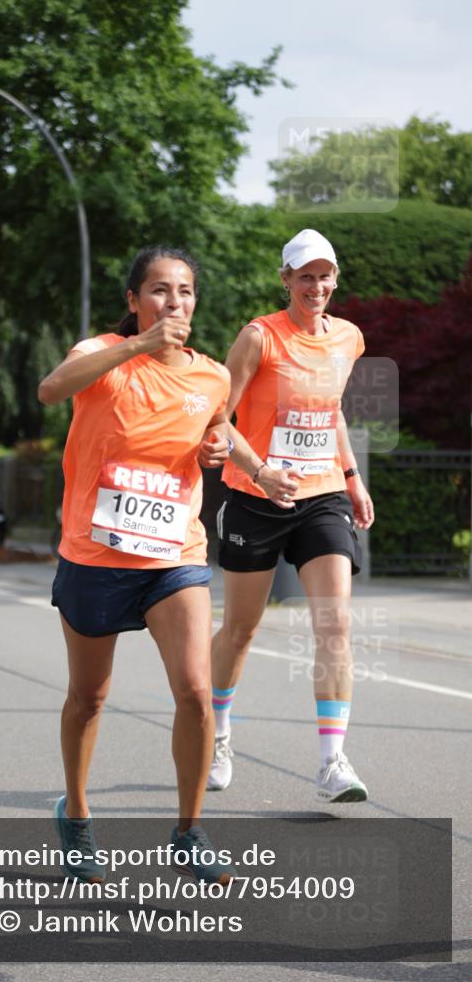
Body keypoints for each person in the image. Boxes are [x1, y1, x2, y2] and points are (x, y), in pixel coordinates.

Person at [38, 246, 235, 885]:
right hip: (95, 555)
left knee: (196, 692)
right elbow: (50, 390)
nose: (174, 301)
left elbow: (220, 431)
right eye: (159, 289)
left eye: (184, 291)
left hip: (174, 556)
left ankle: (189, 830)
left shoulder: (212, 376)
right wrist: (137, 346)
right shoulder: (101, 354)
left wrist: (226, 452)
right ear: (134, 300)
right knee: (89, 696)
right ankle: (76, 814)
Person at [208, 229, 374, 802]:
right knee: (241, 629)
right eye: (305, 276)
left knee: (335, 623)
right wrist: (260, 472)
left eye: (325, 276)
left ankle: (332, 762)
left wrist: (351, 478)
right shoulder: (259, 337)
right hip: (256, 498)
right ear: (286, 279)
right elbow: (217, 417)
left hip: (322, 495)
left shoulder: (348, 338)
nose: (316, 286)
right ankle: (217, 735)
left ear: (336, 280)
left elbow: (332, 413)